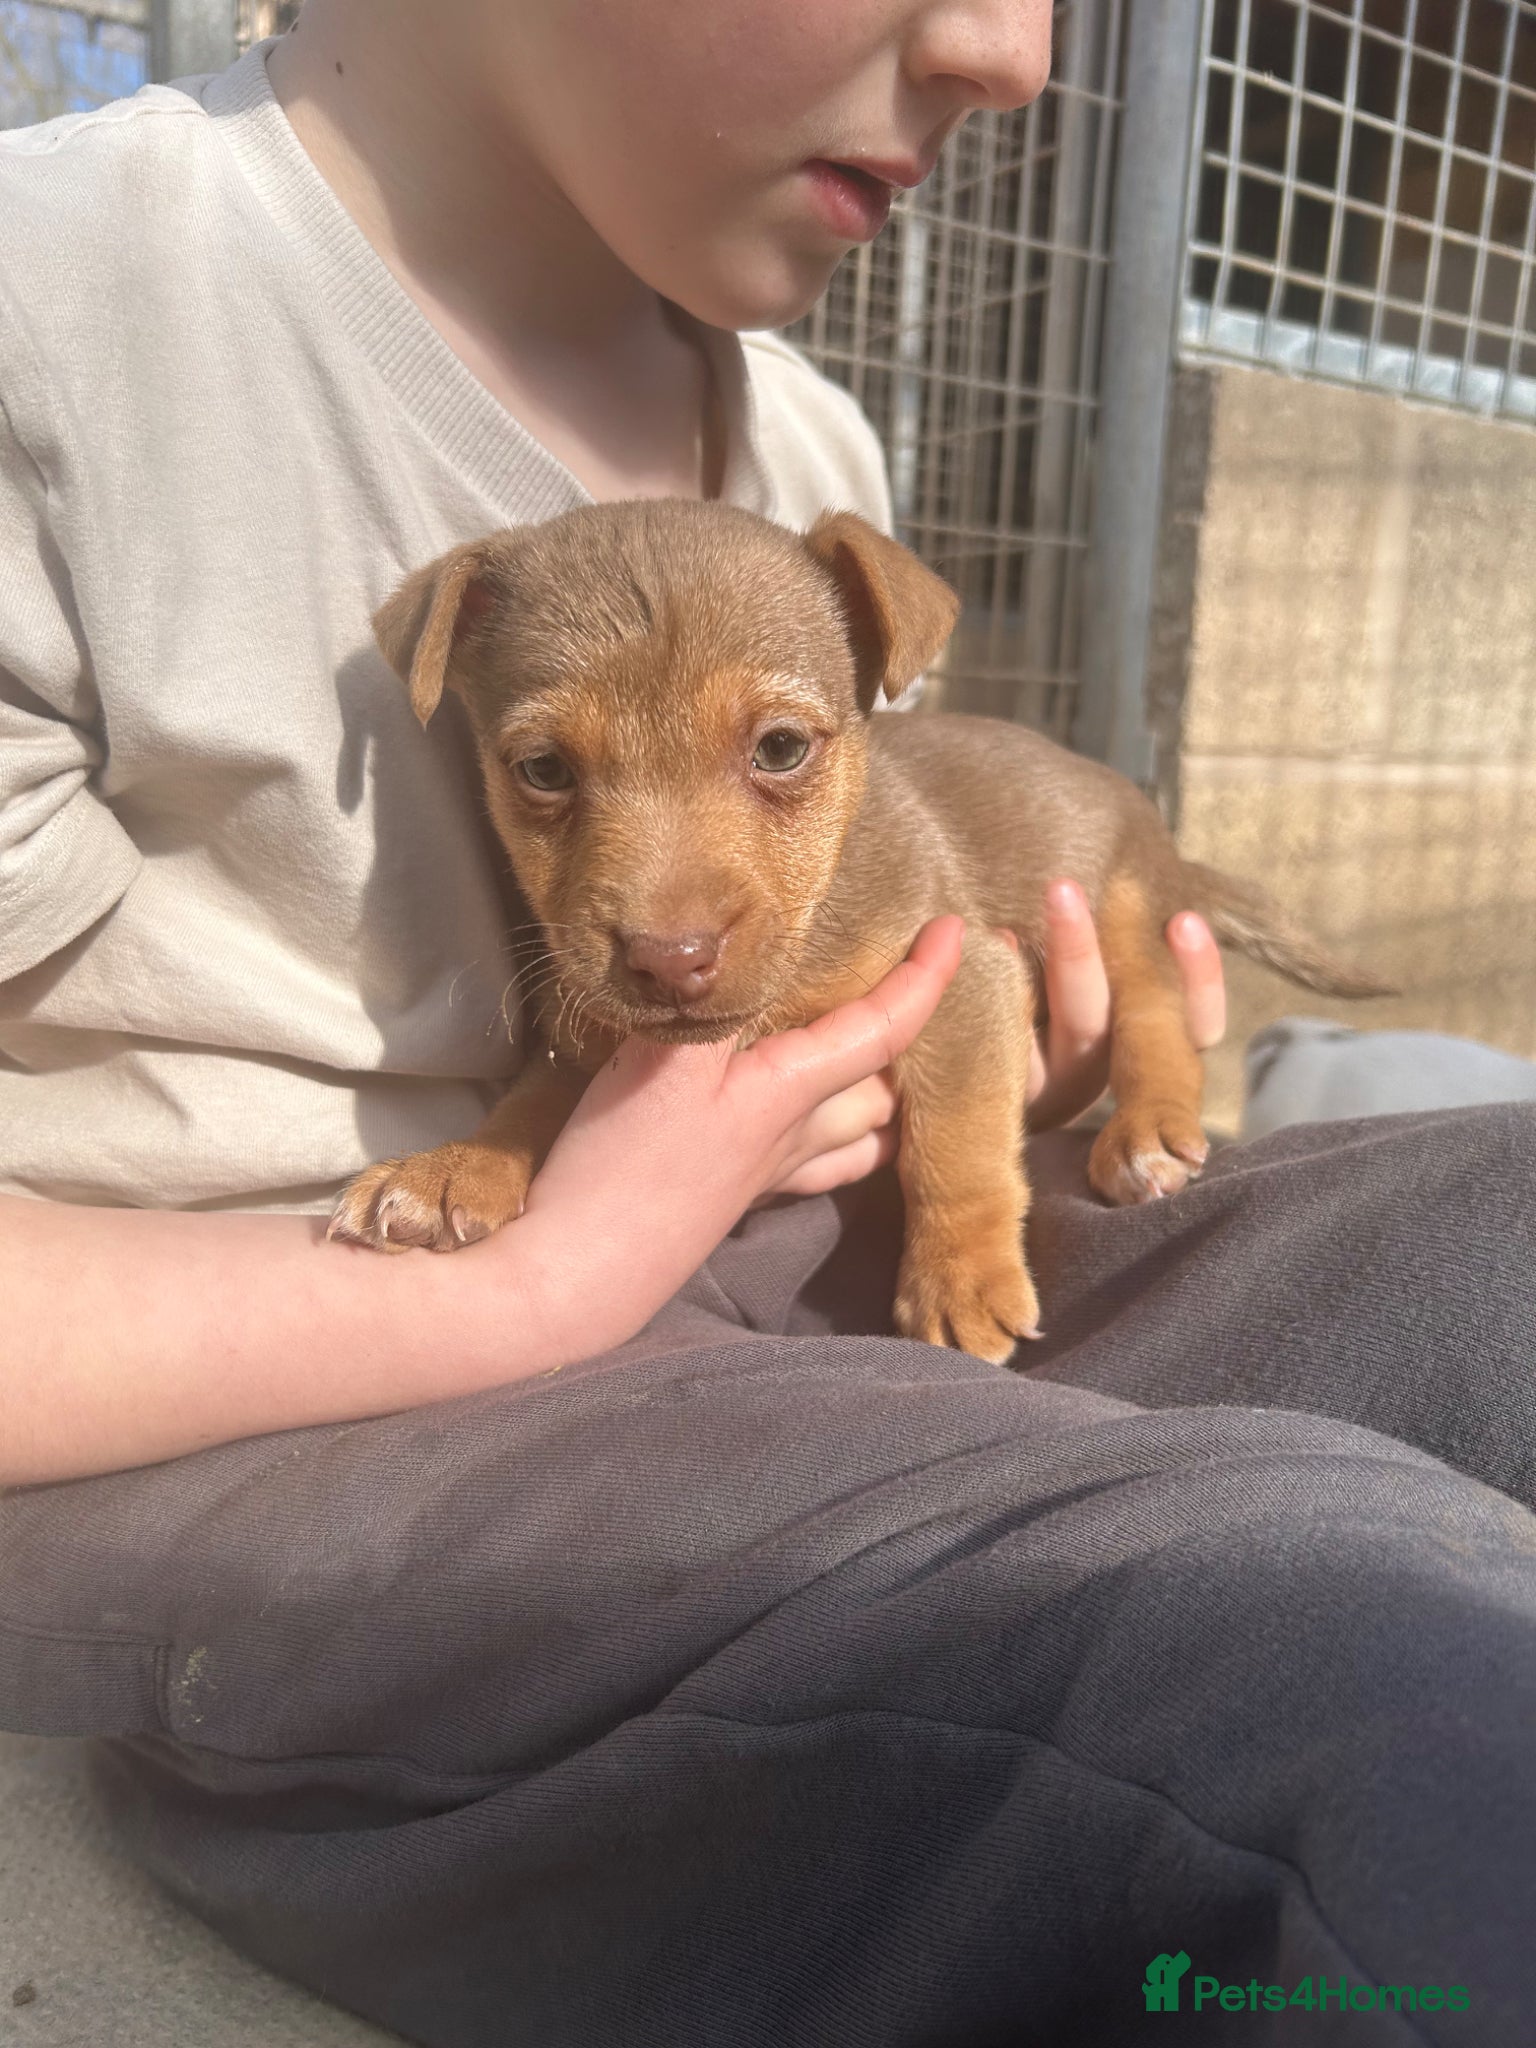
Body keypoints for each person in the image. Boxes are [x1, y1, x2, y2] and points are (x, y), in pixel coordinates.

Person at [0, 5, 1532, 2043]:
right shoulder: (55, 313)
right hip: (295, 1461)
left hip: (798, 1277)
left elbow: (930, 960)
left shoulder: (807, 457)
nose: (1011, 50)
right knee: (1360, 1670)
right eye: (551, 774)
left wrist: (1016, 1113)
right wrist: (537, 1279)